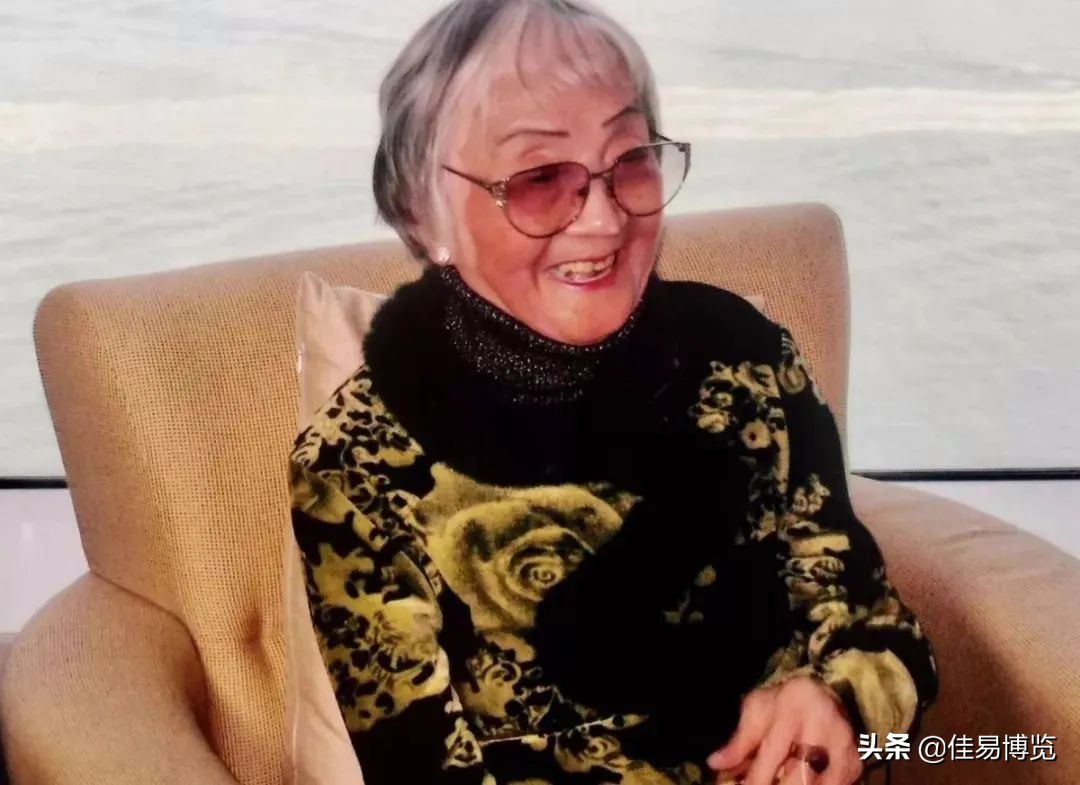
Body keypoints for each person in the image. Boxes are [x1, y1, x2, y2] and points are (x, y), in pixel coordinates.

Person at [288, 1, 939, 783]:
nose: (603, 220)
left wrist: (842, 707)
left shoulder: (746, 355)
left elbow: (876, 624)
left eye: (630, 159)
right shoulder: (355, 463)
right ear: (421, 212)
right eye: (540, 177)